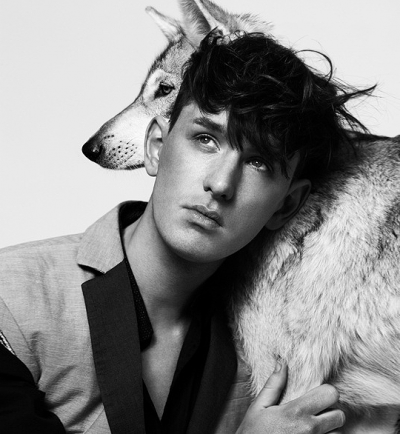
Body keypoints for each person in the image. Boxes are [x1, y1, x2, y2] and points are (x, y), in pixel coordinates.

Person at [0, 30, 371, 433]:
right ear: (156, 147)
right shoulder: (13, 296)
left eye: (258, 162)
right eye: (206, 139)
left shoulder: (270, 358)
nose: (221, 183)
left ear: (285, 205)